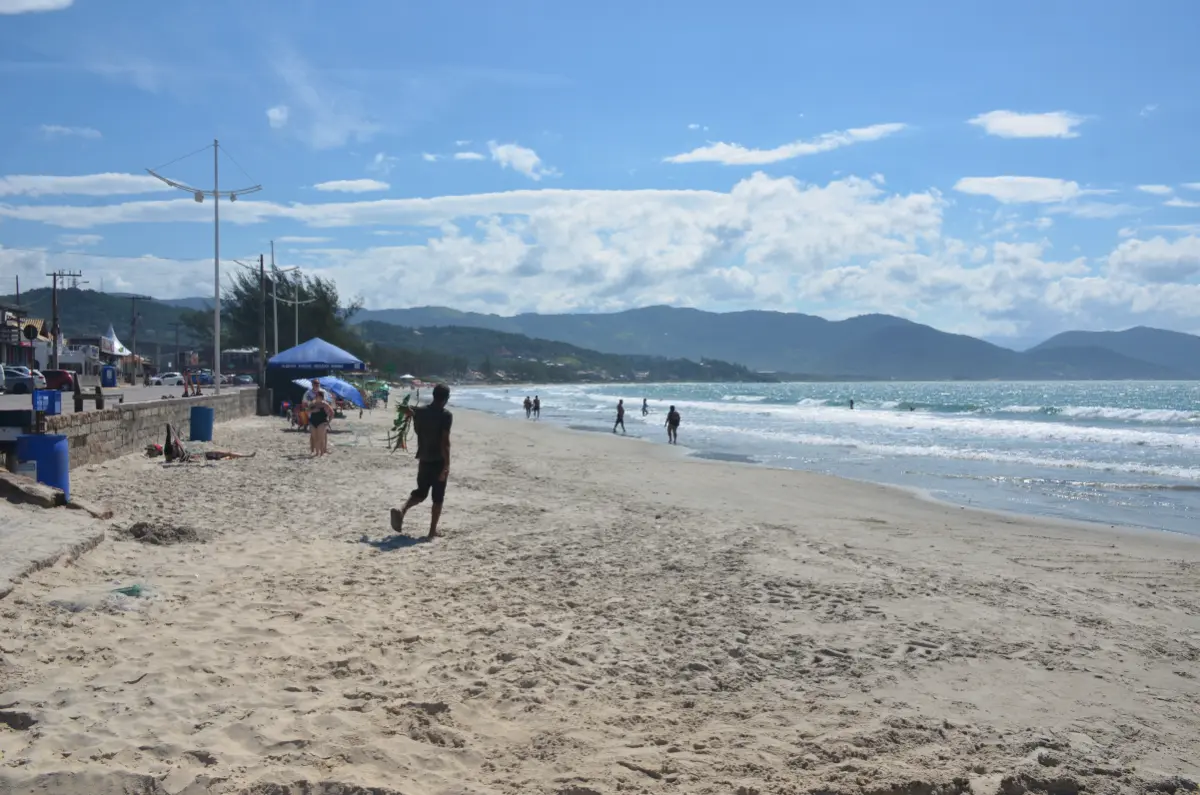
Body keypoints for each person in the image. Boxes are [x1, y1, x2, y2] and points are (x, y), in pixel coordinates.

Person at [391, 383, 453, 539]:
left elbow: (406, 411)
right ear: (446, 399)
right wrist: (446, 465)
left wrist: (409, 412)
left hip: (423, 458)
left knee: (421, 492)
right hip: (438, 461)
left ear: (433, 395)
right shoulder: (445, 415)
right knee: (437, 498)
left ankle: (402, 509)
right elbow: (444, 442)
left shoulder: (420, 412)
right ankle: (432, 532)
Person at [308, 390, 334, 457]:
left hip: (322, 422)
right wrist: (313, 410)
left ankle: (322, 453)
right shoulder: (312, 403)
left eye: (320, 397)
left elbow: (332, 413)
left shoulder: (325, 404)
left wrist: (328, 422)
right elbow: (307, 411)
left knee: (321, 438)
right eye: (317, 396)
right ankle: (317, 453)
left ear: (322, 397)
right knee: (315, 437)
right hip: (313, 422)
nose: (318, 398)